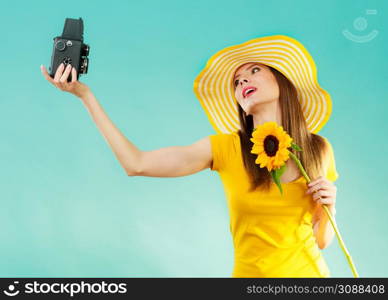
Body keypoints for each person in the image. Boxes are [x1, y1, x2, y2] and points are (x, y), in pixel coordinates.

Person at [40, 34, 339, 278]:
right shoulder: (224, 148)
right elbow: (136, 164)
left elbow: (321, 240)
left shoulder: (319, 149)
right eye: (236, 82)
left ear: (282, 81)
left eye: (254, 71)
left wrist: (330, 207)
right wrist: (86, 96)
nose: (242, 82)